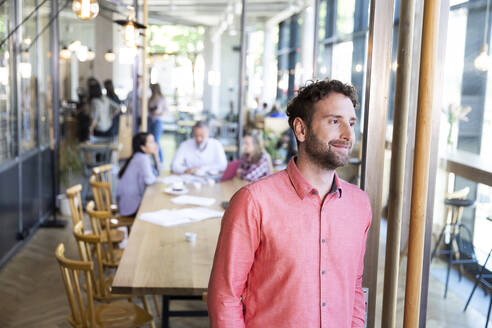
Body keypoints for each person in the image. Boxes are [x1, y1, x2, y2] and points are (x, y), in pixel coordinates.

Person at [208, 79, 372, 327]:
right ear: (301, 130)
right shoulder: (253, 202)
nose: (348, 135)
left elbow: (354, 287)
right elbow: (225, 297)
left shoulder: (359, 204)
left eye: (351, 123)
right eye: (334, 121)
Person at [116, 132, 159, 217]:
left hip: (127, 203)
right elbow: (150, 180)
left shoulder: (140, 156)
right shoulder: (142, 159)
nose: (155, 144)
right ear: (143, 147)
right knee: (158, 207)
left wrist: (156, 156)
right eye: (151, 142)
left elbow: (156, 174)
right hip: (131, 207)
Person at [148, 83, 168, 163]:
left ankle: (159, 160)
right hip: (150, 120)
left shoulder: (162, 99)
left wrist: (158, 112)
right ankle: (152, 158)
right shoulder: (150, 98)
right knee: (149, 140)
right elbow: (148, 109)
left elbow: (166, 111)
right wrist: (152, 111)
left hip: (157, 121)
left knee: (156, 140)